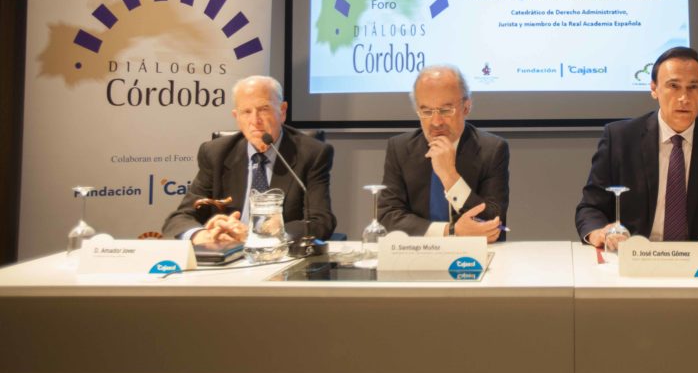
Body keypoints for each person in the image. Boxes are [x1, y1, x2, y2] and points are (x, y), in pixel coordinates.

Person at [575, 47, 698, 251]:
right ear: (654, 88)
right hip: (633, 256)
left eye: (693, 87)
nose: (684, 98)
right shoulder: (620, 138)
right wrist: (600, 232)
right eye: (673, 86)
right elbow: (590, 209)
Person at [162, 75, 336, 243]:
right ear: (236, 117)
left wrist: (271, 233)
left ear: (282, 111)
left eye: (263, 109)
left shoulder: (311, 153)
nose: (255, 120)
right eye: (246, 112)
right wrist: (203, 235)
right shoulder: (216, 153)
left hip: (278, 255)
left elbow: (321, 221)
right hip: (228, 252)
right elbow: (180, 218)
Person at [378, 65, 508, 243]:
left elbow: (493, 222)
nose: (436, 122)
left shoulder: (491, 149)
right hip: (417, 255)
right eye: (426, 111)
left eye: (446, 111)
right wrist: (450, 231)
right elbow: (388, 216)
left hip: (474, 258)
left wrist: (450, 176)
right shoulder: (400, 148)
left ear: (466, 107)